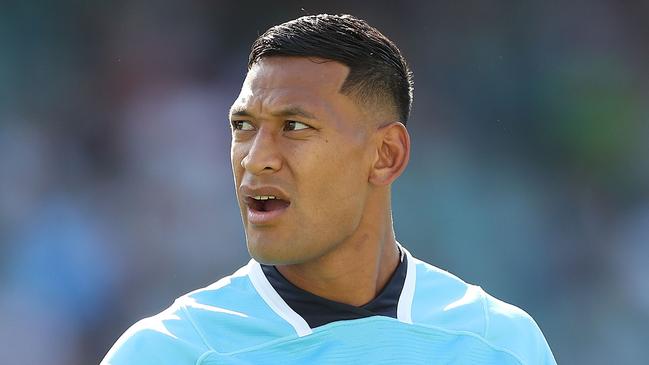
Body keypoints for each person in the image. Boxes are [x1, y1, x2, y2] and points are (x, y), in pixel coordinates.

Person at [101, 14, 556, 364]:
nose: (256, 157)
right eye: (243, 126)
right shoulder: (169, 352)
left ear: (386, 155)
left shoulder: (500, 345)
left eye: (294, 125)